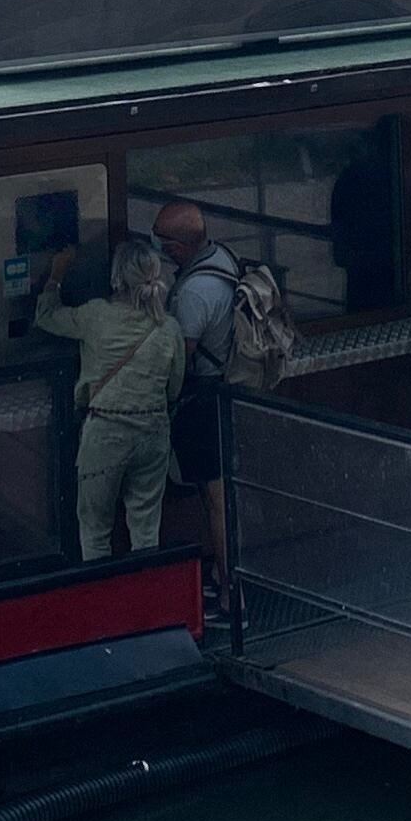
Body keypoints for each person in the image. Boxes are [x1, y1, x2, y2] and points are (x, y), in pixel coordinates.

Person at [34, 235, 184, 557]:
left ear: (116, 278)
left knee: (94, 528)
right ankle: (147, 596)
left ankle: (104, 601)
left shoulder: (95, 316)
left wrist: (56, 275)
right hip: (154, 431)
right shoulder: (169, 328)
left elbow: (46, 316)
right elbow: (174, 387)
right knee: (146, 529)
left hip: (105, 432)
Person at [154, 198, 243, 561]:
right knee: (220, 494)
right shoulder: (222, 257)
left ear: (179, 247)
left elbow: (181, 358)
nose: (162, 251)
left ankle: (227, 589)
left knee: (215, 498)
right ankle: (225, 576)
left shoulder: (192, 294)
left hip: (204, 402)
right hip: (227, 389)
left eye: (164, 244)